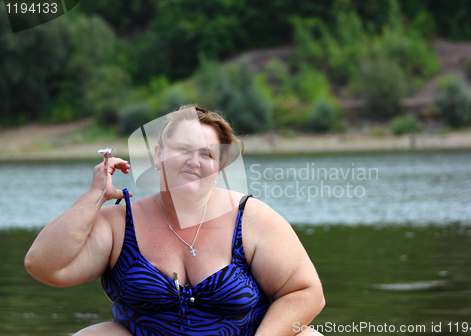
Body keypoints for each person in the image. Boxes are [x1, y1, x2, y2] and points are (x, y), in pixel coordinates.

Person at [25, 105, 325, 336]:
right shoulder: (119, 221)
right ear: (158, 155)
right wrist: (95, 194)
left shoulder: (250, 217)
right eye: (182, 150)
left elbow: (305, 292)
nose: (193, 161)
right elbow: (44, 266)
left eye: (206, 154)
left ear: (218, 167)